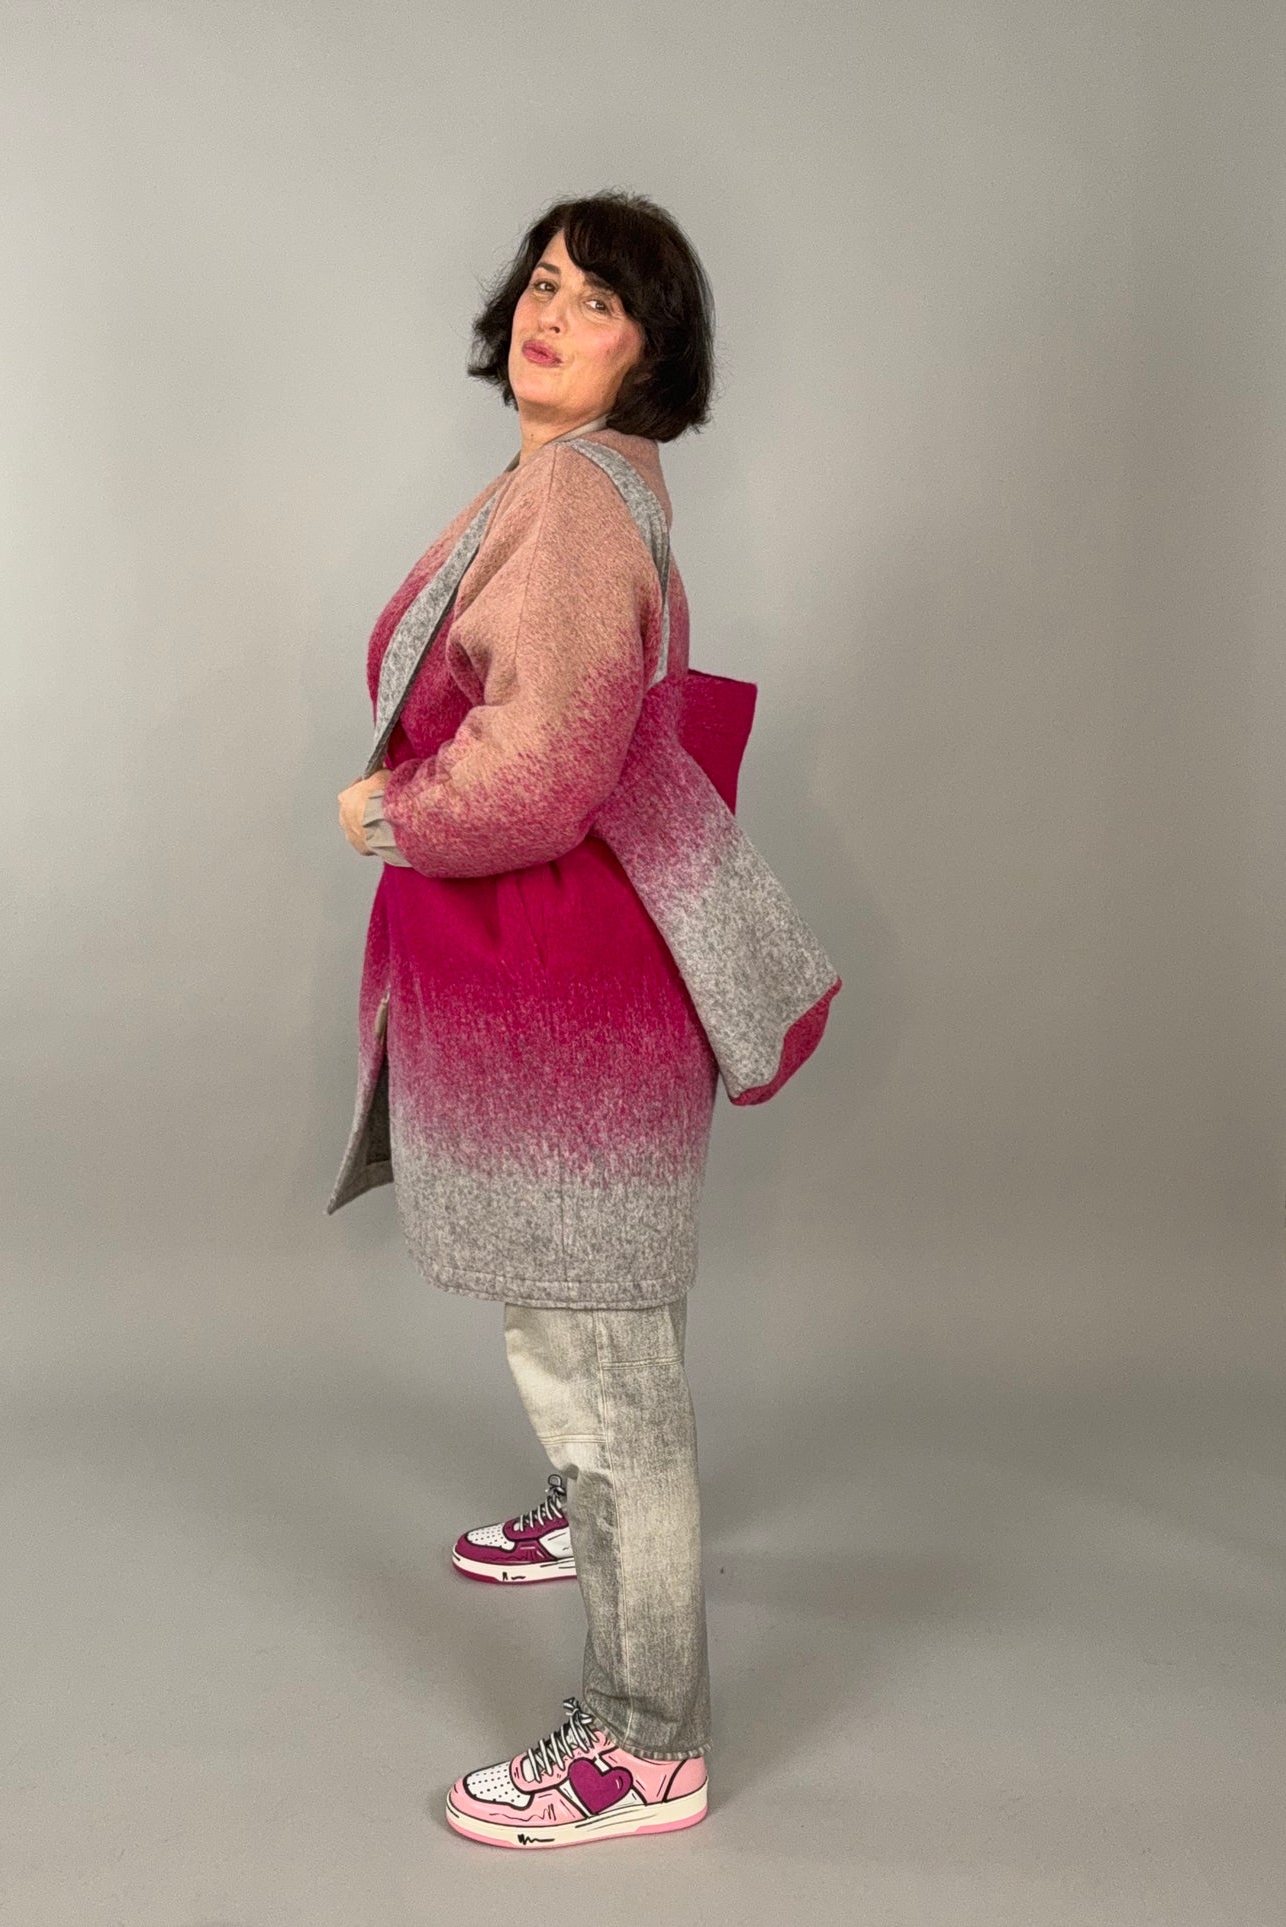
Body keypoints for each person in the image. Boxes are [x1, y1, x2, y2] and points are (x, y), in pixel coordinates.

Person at [331, 192, 837, 1850]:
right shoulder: (586, 482)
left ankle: (641, 1743)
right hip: (583, 978)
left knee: (601, 1352)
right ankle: (592, 1513)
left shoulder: (571, 498)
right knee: (588, 1317)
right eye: (544, 284)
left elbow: (540, 770)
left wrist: (395, 812)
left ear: (649, 347)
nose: (552, 315)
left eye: (599, 301)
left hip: (566, 989)